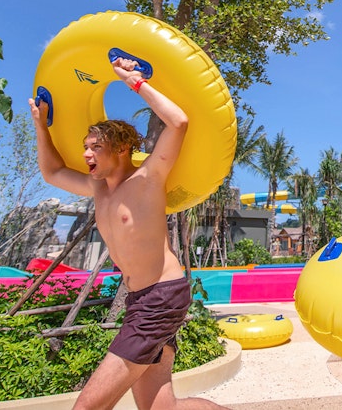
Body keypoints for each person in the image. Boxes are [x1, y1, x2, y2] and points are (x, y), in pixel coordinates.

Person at [30, 57, 228, 410]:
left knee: (87, 407)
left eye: (95, 147)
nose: (86, 154)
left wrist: (133, 81)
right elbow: (52, 172)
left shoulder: (148, 179)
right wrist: (40, 126)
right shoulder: (98, 189)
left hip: (161, 297)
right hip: (140, 299)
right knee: (162, 408)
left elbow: (179, 122)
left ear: (122, 149)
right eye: (86, 146)